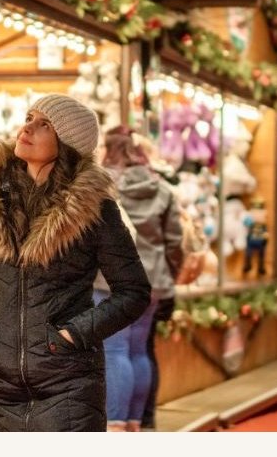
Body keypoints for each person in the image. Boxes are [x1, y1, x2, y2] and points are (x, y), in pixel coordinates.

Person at [0, 94, 151, 432]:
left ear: (67, 143)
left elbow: (133, 291)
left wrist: (73, 335)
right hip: (1, 381)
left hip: (69, 381)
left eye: (44, 124)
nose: (27, 127)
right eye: (29, 117)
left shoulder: (93, 209)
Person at [97, 125, 184, 431]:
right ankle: (136, 421)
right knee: (138, 350)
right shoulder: (161, 187)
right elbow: (175, 241)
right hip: (153, 280)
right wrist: (168, 274)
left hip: (111, 280)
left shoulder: (101, 183)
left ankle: (116, 423)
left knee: (116, 350)